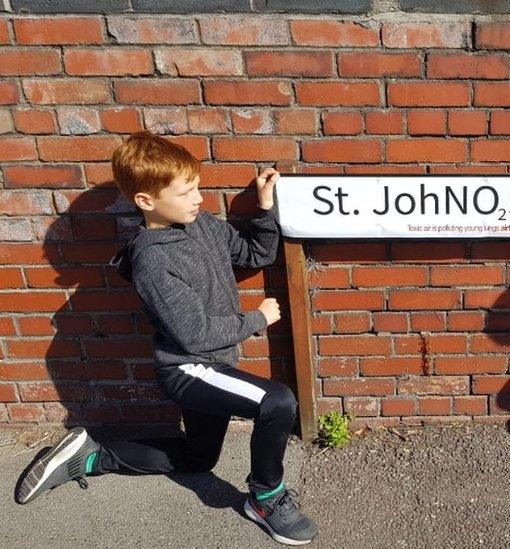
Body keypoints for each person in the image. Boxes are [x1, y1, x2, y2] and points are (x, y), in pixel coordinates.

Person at [15, 132, 318, 545]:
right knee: (278, 401)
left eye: (196, 186)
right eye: (185, 191)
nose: (198, 197)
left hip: (213, 365)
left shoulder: (205, 225)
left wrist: (265, 208)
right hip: (188, 368)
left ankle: (91, 456)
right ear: (146, 201)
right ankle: (266, 496)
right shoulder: (153, 259)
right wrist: (256, 319)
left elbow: (254, 254)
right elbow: (193, 334)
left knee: (198, 459)